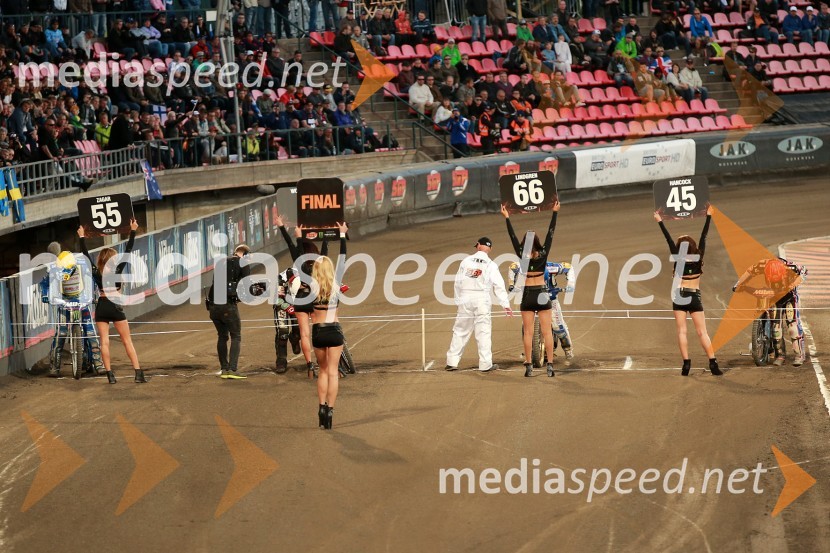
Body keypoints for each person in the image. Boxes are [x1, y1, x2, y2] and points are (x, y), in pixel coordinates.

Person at [654, 206, 721, 376]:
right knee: (702, 332)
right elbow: (703, 237)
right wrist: (708, 217)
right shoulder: (699, 256)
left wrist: (660, 221)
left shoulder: (677, 258)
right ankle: (713, 362)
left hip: (679, 295)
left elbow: (668, 239)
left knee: (682, 331)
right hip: (694, 296)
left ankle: (686, 364)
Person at [78, 219, 145, 383]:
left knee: (105, 342)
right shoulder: (117, 270)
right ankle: (138, 373)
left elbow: (86, 257)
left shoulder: (97, 273)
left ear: (101, 259)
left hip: (101, 306)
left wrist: (81, 237)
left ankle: (110, 375)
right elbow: (128, 251)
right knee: (127, 340)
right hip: (114, 305)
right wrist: (133, 231)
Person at [501, 200, 560, 377]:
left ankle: (528, 366)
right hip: (542, 293)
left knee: (527, 332)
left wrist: (507, 217)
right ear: (537, 242)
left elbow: (511, 236)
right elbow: (551, 233)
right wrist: (555, 212)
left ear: (524, 243)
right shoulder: (543, 253)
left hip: (527, 295)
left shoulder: (521, 254)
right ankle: (550, 365)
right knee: (546, 331)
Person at [446, 237, 513, 373]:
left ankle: (452, 362)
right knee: (483, 332)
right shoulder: (491, 264)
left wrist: (458, 299)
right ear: (490, 249)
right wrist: (505, 304)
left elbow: (458, 282)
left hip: (465, 297)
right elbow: (499, 286)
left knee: (460, 330)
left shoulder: (465, 261)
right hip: (481, 299)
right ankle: (485, 364)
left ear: (477, 246)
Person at [40, 248, 104, 378]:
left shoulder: (82, 265)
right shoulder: (53, 269)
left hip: (81, 300)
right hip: (64, 302)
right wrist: (45, 294)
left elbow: (93, 280)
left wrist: (95, 294)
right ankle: (54, 366)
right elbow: (44, 284)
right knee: (61, 333)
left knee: (91, 333)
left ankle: (98, 364)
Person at [733, 258, 807, 367]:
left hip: (789, 297)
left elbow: (804, 271)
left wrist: (795, 283)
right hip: (773, 297)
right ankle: (780, 355)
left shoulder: (791, 266)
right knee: (776, 329)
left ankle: (800, 355)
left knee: (793, 327)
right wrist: (738, 284)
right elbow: (749, 271)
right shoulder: (762, 265)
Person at [311, 222, 349, 430]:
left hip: (318, 332)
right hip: (334, 331)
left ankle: (321, 406)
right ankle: (330, 409)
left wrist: (298, 236)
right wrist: (342, 235)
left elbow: (298, 258)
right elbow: (343, 259)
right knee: (333, 372)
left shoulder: (310, 287)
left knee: (323, 371)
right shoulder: (336, 284)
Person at [206, 244, 252, 379]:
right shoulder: (243, 263)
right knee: (236, 336)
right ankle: (232, 369)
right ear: (245, 255)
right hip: (227, 305)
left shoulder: (221, 262)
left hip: (213, 306)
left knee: (222, 336)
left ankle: (224, 369)